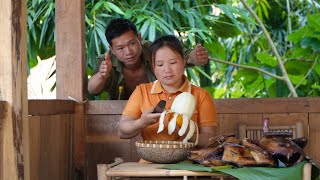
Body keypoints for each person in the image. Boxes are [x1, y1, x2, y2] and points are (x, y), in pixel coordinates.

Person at [118, 35, 217, 147]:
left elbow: (211, 139)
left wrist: (189, 134)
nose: (167, 70)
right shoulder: (142, 91)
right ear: (153, 66)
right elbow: (122, 131)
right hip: (150, 162)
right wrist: (141, 122)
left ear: (184, 61)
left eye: (173, 63)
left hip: (189, 162)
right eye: (160, 64)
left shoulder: (201, 95)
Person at [87, 18, 209, 100]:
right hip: (121, 117)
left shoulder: (154, 49)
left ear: (139, 38)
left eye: (132, 44)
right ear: (112, 49)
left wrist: (194, 57)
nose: (128, 52)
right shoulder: (107, 60)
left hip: (161, 110)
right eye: (120, 48)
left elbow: (182, 56)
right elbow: (92, 89)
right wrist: (102, 76)